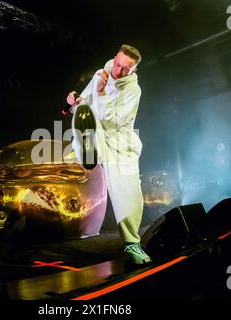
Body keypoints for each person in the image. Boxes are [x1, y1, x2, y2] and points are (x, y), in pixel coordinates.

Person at [66, 44, 151, 264]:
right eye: (118, 64)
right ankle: (88, 150)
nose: (118, 70)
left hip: (121, 143)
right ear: (114, 58)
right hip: (98, 134)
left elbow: (114, 122)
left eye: (125, 69)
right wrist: (75, 103)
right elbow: (84, 103)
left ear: (133, 71)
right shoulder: (99, 75)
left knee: (129, 195)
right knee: (84, 114)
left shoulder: (134, 90)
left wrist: (102, 94)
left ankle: (132, 244)